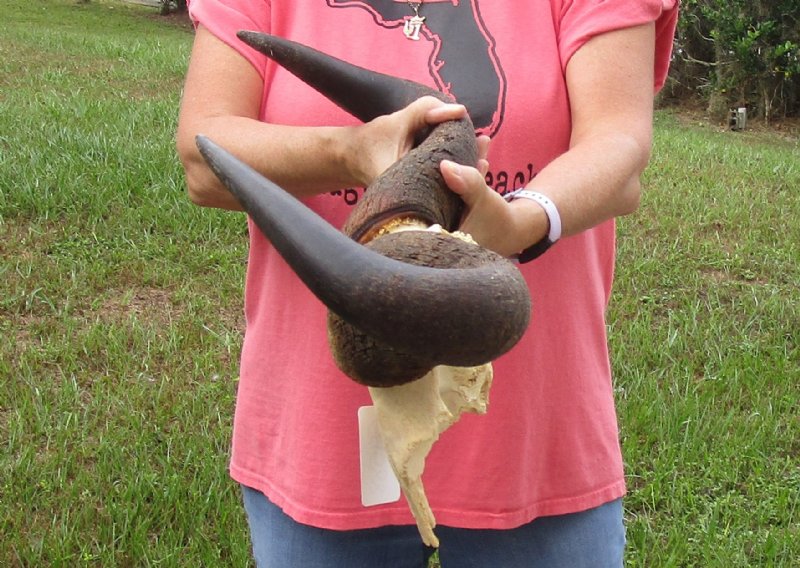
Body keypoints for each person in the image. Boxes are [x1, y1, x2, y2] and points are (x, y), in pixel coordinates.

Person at [176, 1, 678, 566]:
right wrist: (348, 152)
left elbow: (618, 147)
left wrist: (521, 221)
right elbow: (203, 154)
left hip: (534, 444)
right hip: (320, 440)